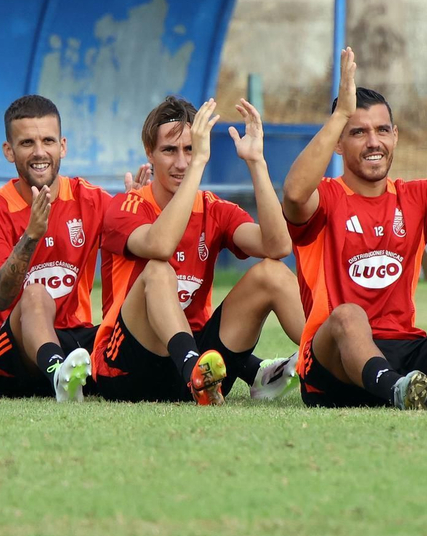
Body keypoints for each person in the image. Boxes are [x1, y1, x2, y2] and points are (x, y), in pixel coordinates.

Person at [285, 49, 427, 410]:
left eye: (382, 130)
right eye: (358, 132)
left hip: (404, 351)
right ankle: (395, 390)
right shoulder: (325, 197)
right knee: (347, 315)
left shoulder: (417, 197)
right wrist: (341, 112)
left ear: (396, 136)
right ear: (338, 145)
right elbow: (295, 194)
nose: (373, 141)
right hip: (332, 363)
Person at [92, 96, 304, 405]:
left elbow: (278, 246)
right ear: (149, 152)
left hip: (203, 368)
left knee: (272, 273)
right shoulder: (125, 206)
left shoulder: (213, 208)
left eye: (190, 149)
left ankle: (326, 364)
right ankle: (196, 371)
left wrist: (257, 162)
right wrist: (198, 164)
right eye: (169, 150)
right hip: (128, 371)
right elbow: (160, 245)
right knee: (158, 269)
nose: (181, 162)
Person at [0, 95, 111, 402]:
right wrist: (31, 236)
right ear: (9, 151)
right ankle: (58, 373)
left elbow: (145, 240)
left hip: (74, 338)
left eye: (48, 140)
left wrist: (136, 206)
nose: (39, 152)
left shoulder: (91, 199)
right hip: (13, 350)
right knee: (33, 293)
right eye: (27, 143)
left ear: (63, 146)